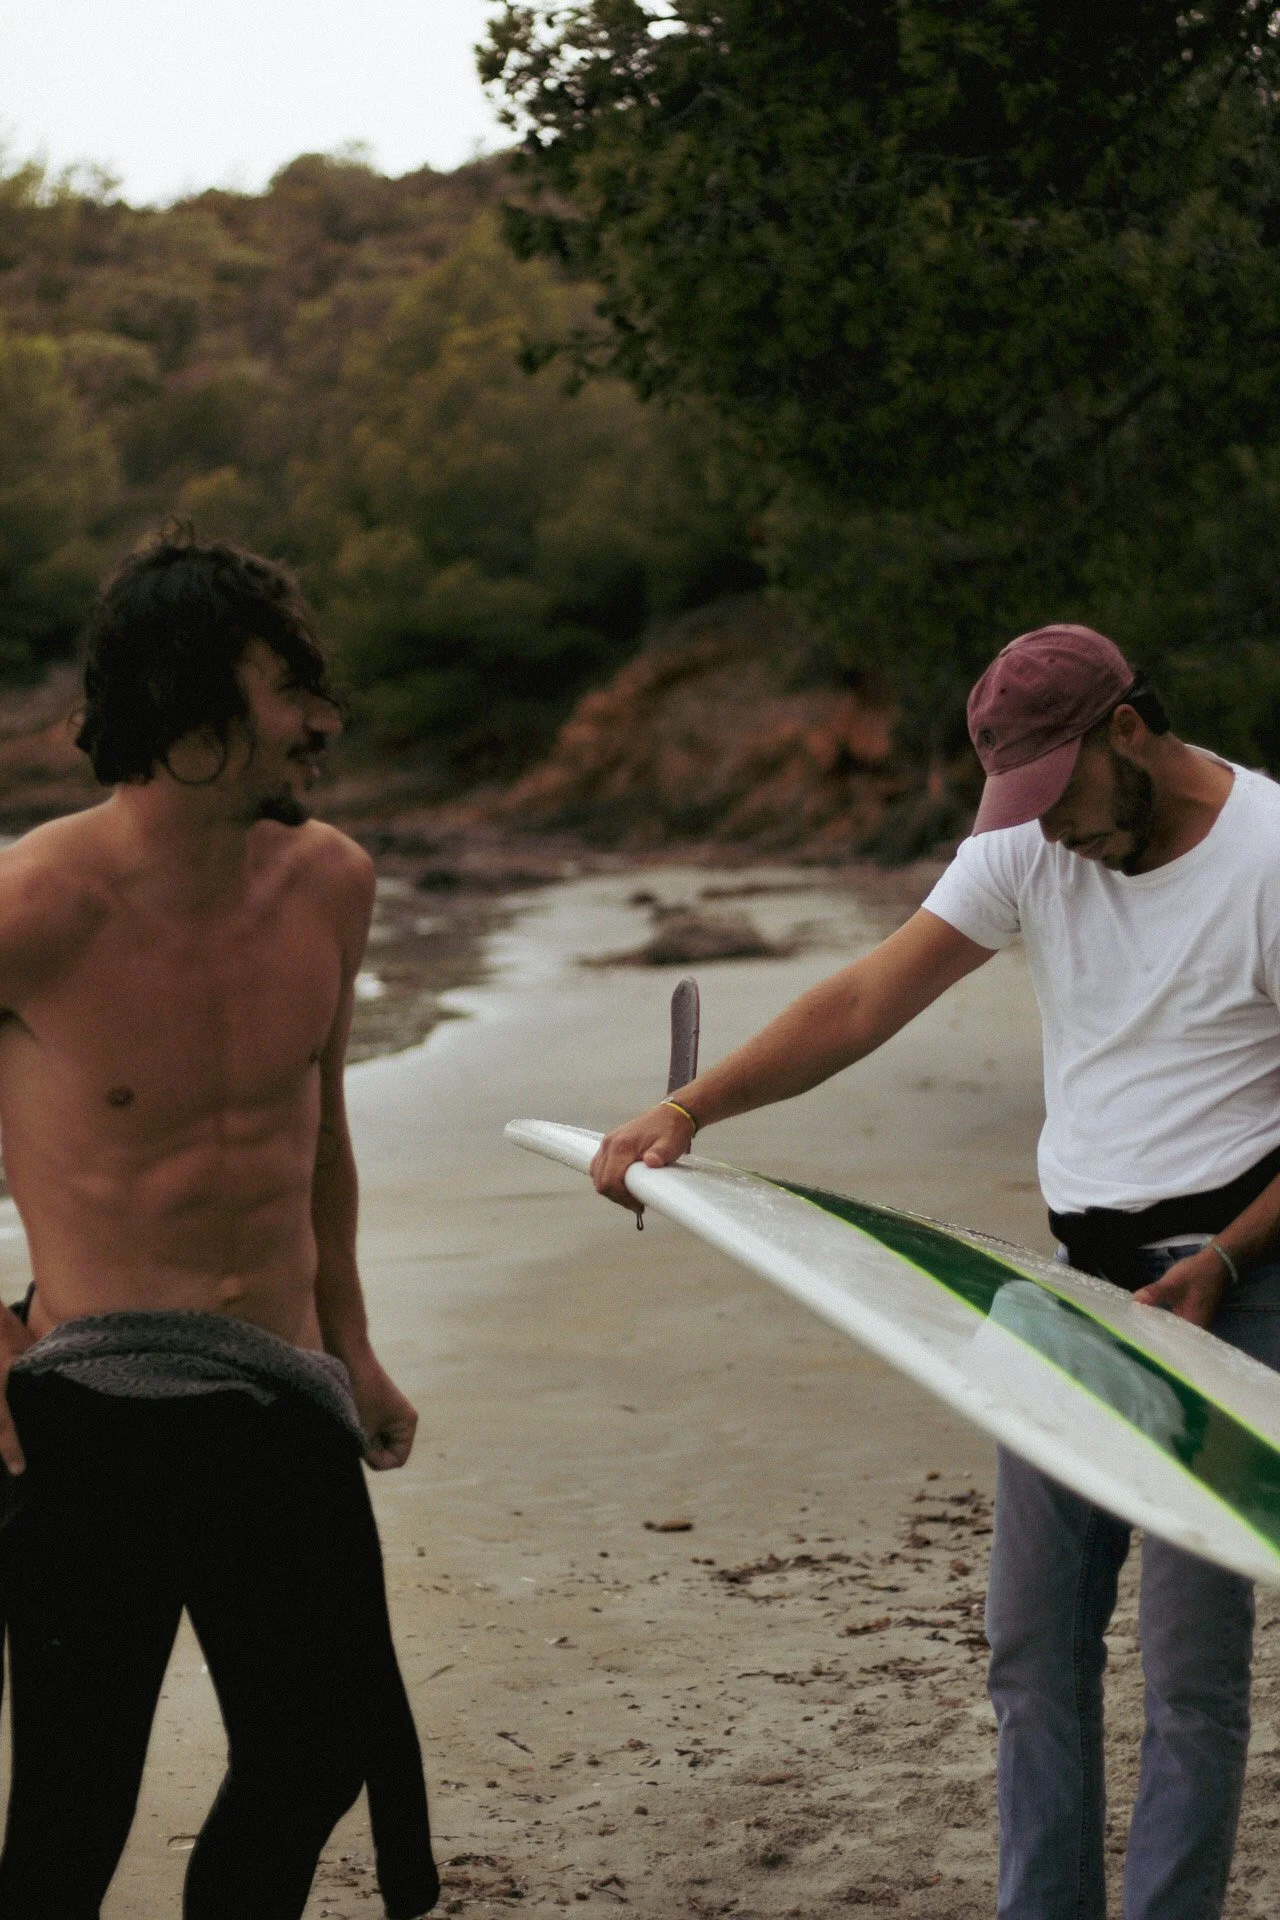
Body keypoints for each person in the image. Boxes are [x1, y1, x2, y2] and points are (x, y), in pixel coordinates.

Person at [592, 623, 1280, 1920]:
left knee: (1193, 1674)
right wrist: (689, 1111)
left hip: (1239, 1286)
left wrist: (1234, 1259)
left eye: (1057, 796)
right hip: (1072, 1286)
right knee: (1030, 1650)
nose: (1046, 835)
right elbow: (863, 1000)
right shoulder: (1029, 843)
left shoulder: (1273, 860)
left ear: (1128, 731)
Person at [0, 529, 439, 1919]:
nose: (324, 718)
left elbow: (319, 1128)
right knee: (74, 1802)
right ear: (193, 705)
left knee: (316, 1754)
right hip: (93, 1410)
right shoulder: (38, 905)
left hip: (279, 1392)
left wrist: (353, 1345)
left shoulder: (331, 883)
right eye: (290, 685)